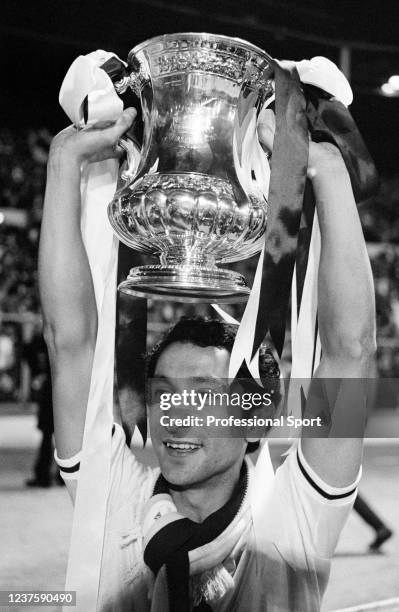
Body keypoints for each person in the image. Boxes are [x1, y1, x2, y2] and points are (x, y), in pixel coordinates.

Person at [39, 107, 376, 611]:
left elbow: (351, 351)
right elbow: (68, 343)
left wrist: (324, 168)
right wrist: (63, 163)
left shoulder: (291, 518)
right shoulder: (114, 498)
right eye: (164, 394)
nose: (174, 414)